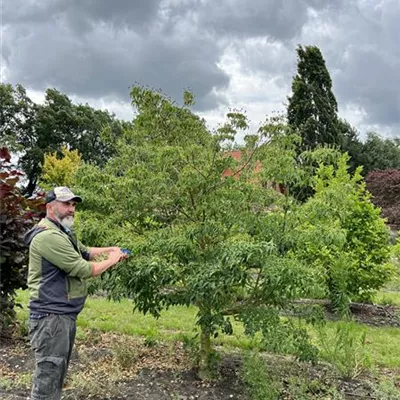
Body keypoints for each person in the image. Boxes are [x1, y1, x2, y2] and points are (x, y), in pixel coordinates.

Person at [24, 186, 127, 400]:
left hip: (62, 316)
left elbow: (86, 252)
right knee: (47, 380)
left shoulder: (63, 231)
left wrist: (111, 250)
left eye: (73, 205)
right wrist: (112, 260)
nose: (71, 209)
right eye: (66, 204)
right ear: (49, 207)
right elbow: (84, 268)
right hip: (51, 318)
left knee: (56, 375)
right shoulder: (48, 237)